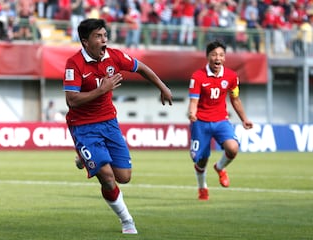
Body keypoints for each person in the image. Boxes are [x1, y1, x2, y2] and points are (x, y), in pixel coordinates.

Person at [63, 18, 173, 234]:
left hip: (109, 123)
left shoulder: (114, 56)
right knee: (107, 176)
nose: (104, 40)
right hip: (84, 127)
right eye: (99, 36)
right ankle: (127, 220)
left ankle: (84, 157)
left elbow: (141, 67)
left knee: (124, 177)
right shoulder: (74, 64)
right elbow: (72, 100)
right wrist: (101, 90)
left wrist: (162, 86)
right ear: (85, 41)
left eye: (105, 35)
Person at [187, 40, 253, 201]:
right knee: (200, 159)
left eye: (221, 55)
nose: (218, 58)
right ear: (207, 56)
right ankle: (202, 188)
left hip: (221, 120)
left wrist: (244, 119)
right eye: (214, 54)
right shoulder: (197, 77)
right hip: (201, 122)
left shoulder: (231, 76)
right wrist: (192, 113)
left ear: (225, 57)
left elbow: (235, 99)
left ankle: (220, 167)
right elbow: (194, 101)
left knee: (233, 148)